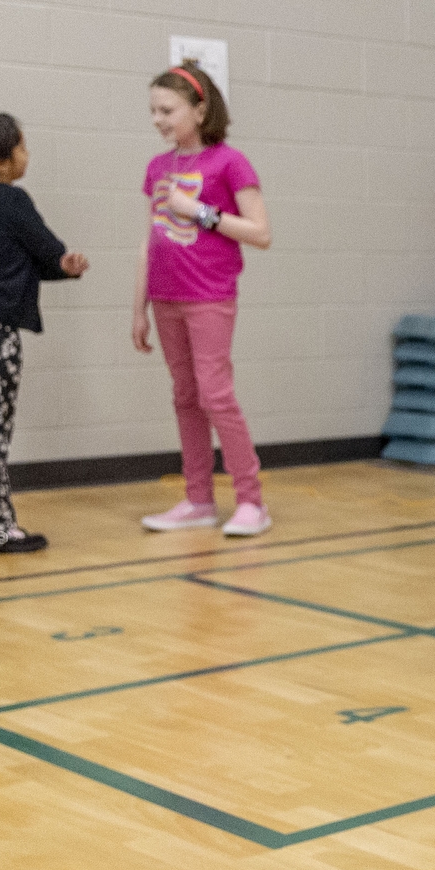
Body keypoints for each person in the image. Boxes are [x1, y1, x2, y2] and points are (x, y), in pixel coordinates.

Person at [131, 62, 273, 537]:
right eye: (152, 110)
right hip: (165, 297)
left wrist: (200, 212)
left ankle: (251, 502)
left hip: (208, 295)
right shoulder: (157, 167)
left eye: (167, 109)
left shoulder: (230, 163)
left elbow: (260, 233)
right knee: (185, 396)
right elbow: (149, 240)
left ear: (199, 108)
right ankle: (198, 501)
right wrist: (139, 307)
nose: (158, 119)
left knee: (215, 394)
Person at [0, 113, 89, 554]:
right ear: (2, 161)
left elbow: (25, 260)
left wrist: (58, 269)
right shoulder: (11, 198)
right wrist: (65, 262)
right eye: (22, 147)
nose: (28, 155)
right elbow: (45, 247)